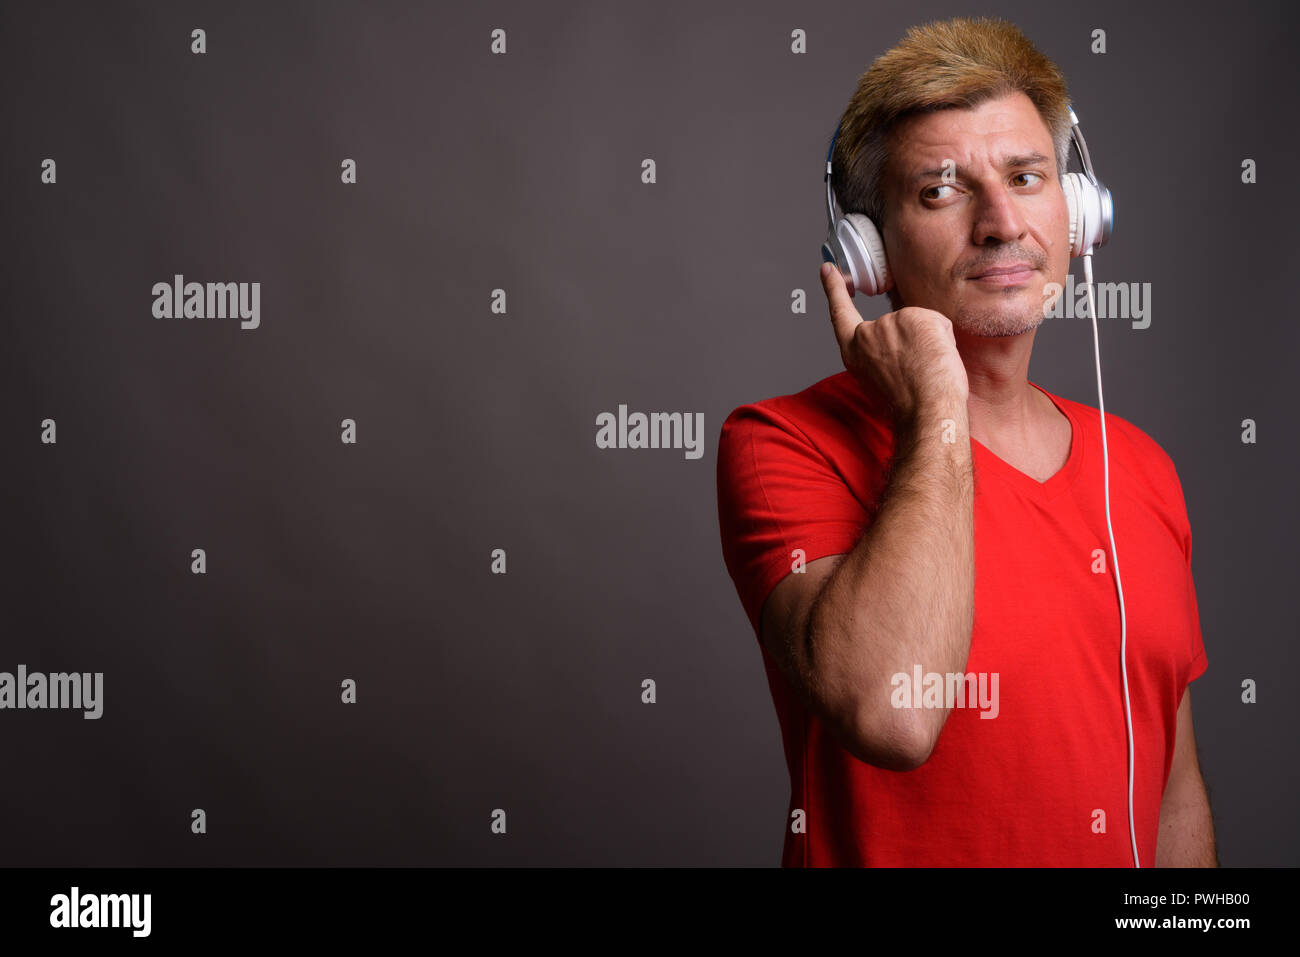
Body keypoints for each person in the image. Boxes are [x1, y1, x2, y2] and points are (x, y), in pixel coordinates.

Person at [715, 16, 1215, 867]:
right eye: (941, 191)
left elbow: (1173, 796)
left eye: (1027, 177)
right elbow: (893, 717)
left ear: (1079, 213)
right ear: (870, 252)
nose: (1000, 222)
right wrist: (938, 404)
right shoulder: (780, 443)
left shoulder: (1141, 467)